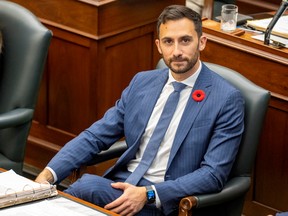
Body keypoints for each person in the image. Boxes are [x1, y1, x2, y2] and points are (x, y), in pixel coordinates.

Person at [36, 5, 244, 216]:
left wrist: (149, 194)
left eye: (185, 40)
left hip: (166, 202)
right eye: (168, 42)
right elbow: (96, 135)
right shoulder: (142, 82)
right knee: (79, 196)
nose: (177, 51)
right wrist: (48, 175)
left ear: (202, 42)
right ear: (158, 46)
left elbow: (213, 174)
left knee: (84, 189)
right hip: (120, 186)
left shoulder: (225, 99)